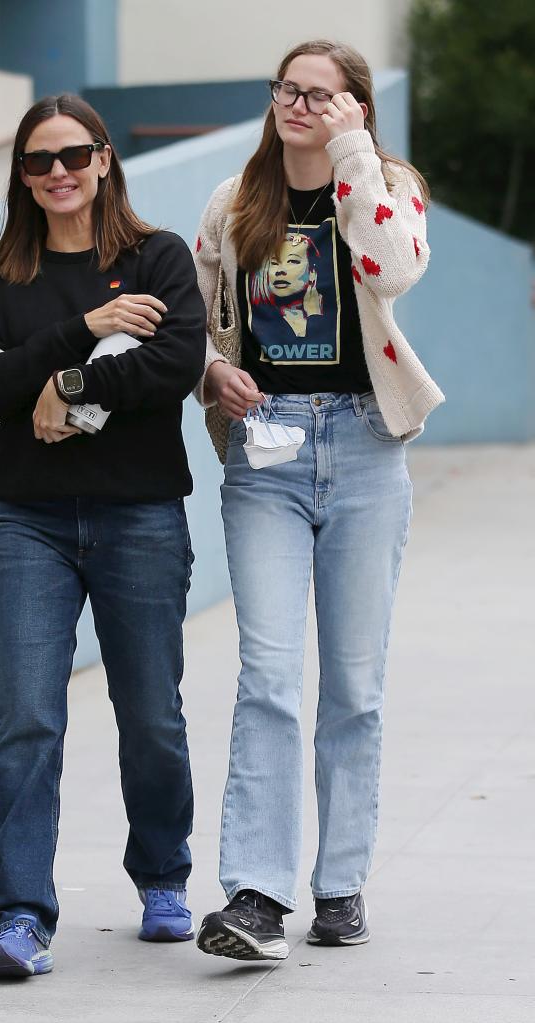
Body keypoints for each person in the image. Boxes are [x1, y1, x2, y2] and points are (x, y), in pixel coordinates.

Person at [192, 40, 444, 961]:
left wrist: (352, 159)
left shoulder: (388, 186)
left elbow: (392, 269)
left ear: (356, 109)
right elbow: (200, 329)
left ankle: (339, 884)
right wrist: (215, 374)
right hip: (267, 452)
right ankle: (256, 893)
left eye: (322, 96)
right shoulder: (233, 203)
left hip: (367, 446)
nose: (299, 105)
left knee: (354, 685)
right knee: (266, 673)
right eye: (288, 91)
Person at [0, 94, 205, 977]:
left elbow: (174, 365)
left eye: (72, 155)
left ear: (105, 158)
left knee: (150, 714)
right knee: (27, 717)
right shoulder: (1, 279)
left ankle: (164, 879)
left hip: (139, 512)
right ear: (22, 177)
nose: (57, 173)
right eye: (37, 162)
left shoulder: (159, 256)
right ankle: (21, 914)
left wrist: (63, 388)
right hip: (27, 519)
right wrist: (89, 331)